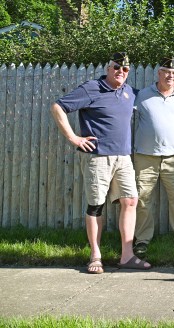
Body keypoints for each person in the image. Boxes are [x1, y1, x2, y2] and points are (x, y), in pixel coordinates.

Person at [50, 52, 151, 273]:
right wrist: (73, 138)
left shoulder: (129, 92)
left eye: (125, 69)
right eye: (116, 67)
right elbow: (58, 107)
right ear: (108, 68)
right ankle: (95, 256)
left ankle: (127, 256)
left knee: (131, 201)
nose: (120, 72)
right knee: (96, 205)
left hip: (123, 158)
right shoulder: (91, 88)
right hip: (98, 158)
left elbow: (152, 96)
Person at [133, 57, 174, 253]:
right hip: (145, 157)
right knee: (143, 199)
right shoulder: (142, 95)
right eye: (167, 72)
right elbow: (127, 119)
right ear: (159, 73)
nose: (170, 76)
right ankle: (142, 240)